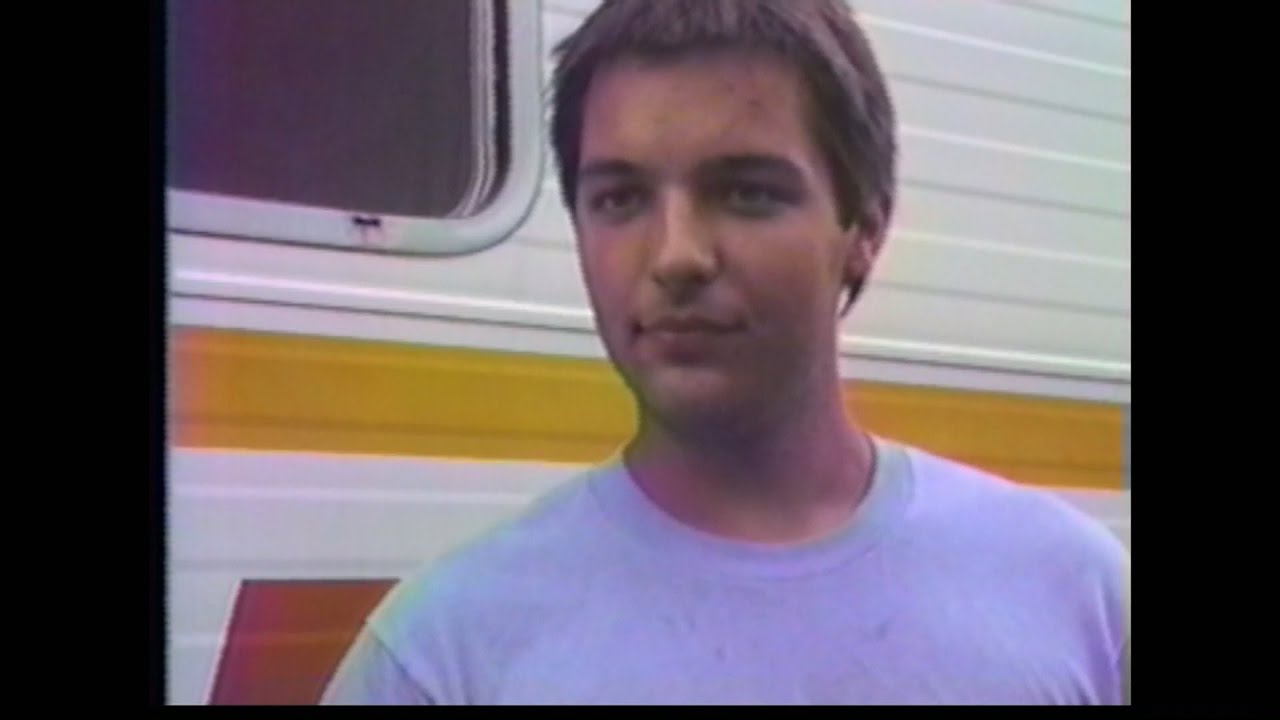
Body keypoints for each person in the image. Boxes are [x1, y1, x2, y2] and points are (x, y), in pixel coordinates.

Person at [323, 0, 1130, 705]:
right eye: (621, 199)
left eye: (747, 192)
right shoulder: (445, 651)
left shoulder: (1078, 595)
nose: (676, 255)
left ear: (865, 231)